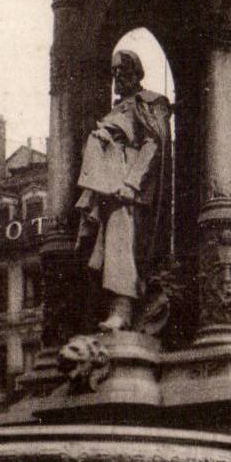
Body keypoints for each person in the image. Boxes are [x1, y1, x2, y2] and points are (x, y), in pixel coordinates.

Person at [75, 49, 171, 331]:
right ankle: (118, 308)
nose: (118, 78)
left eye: (124, 72)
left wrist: (131, 182)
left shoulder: (150, 102)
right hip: (106, 186)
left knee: (120, 241)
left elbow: (153, 143)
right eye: (115, 73)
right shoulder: (116, 110)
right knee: (107, 246)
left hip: (129, 187)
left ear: (135, 74)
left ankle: (123, 308)